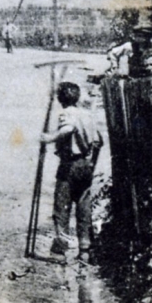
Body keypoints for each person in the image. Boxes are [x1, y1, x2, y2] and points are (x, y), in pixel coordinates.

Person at [40, 80, 103, 261]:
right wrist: (91, 164)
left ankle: (60, 249)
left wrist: (49, 138)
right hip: (85, 163)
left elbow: (68, 129)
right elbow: (99, 141)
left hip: (70, 164)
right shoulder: (87, 114)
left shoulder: (66, 113)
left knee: (62, 206)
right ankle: (85, 248)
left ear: (61, 99)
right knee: (83, 206)